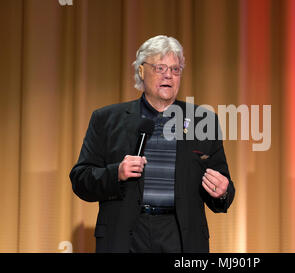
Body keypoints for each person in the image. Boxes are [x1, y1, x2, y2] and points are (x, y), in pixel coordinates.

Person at [69, 35, 235, 253]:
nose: (169, 75)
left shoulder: (202, 121)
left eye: (175, 70)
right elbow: (80, 180)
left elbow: (223, 188)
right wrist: (115, 173)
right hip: (126, 237)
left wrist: (222, 192)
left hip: (180, 237)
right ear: (141, 71)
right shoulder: (106, 119)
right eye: (160, 68)